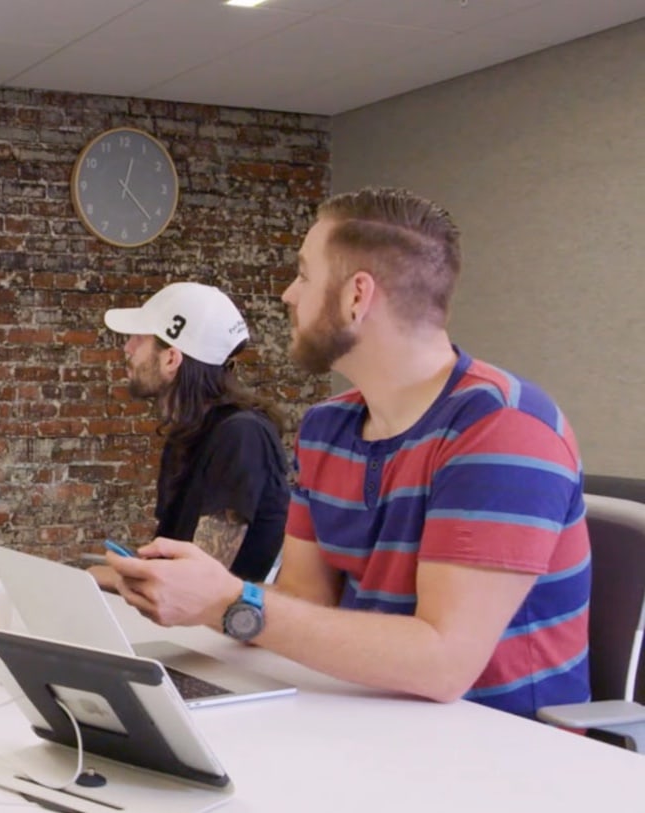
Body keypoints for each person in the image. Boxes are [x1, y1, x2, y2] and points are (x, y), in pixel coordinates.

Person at [102, 187, 591, 720]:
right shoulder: (326, 427)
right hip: (362, 712)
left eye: (304, 275)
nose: (288, 294)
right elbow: (303, 606)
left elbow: (444, 664)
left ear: (357, 296)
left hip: (499, 742)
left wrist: (227, 601)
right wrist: (208, 598)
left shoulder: (504, 428)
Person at [87, 282, 289, 585]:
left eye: (139, 339)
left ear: (171, 359)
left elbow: (199, 582)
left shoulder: (241, 435)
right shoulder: (188, 434)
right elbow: (170, 558)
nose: (127, 348)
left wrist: (99, 578)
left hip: (218, 617)